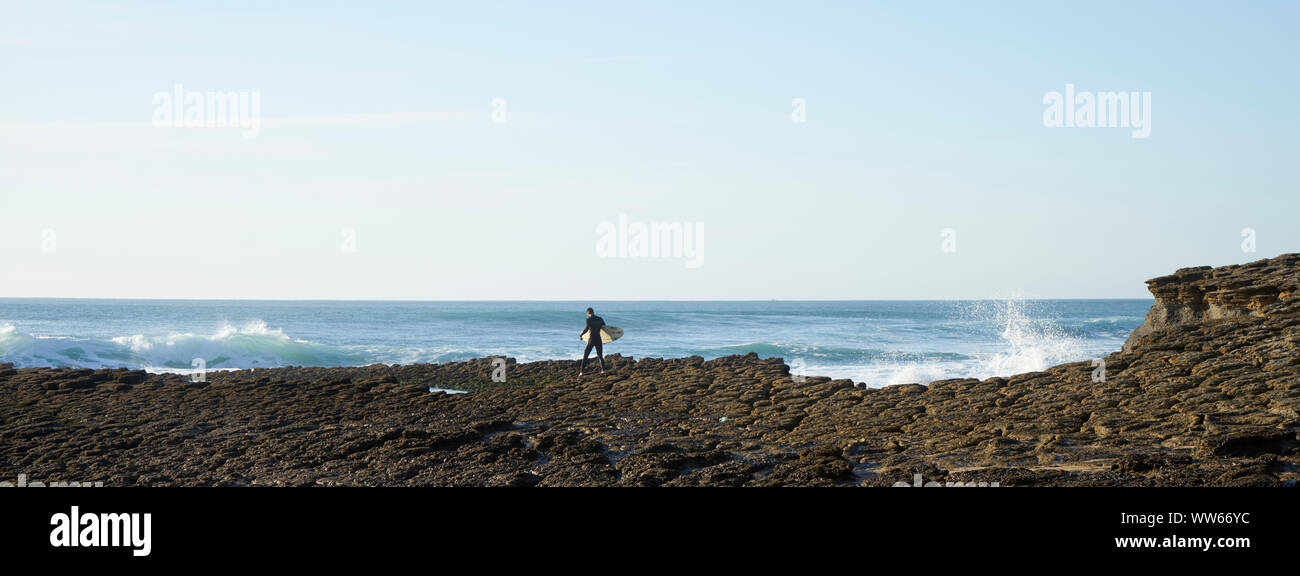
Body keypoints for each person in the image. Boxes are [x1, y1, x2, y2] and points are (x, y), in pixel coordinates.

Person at [578, 307, 607, 376]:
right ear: (593, 312)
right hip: (599, 339)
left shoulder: (588, 320)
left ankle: (581, 372)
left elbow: (586, 329)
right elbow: (605, 329)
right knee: (600, 355)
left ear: (588, 313)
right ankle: (603, 370)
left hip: (591, 340)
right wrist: (606, 339)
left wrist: (581, 335)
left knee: (585, 355)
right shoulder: (600, 319)